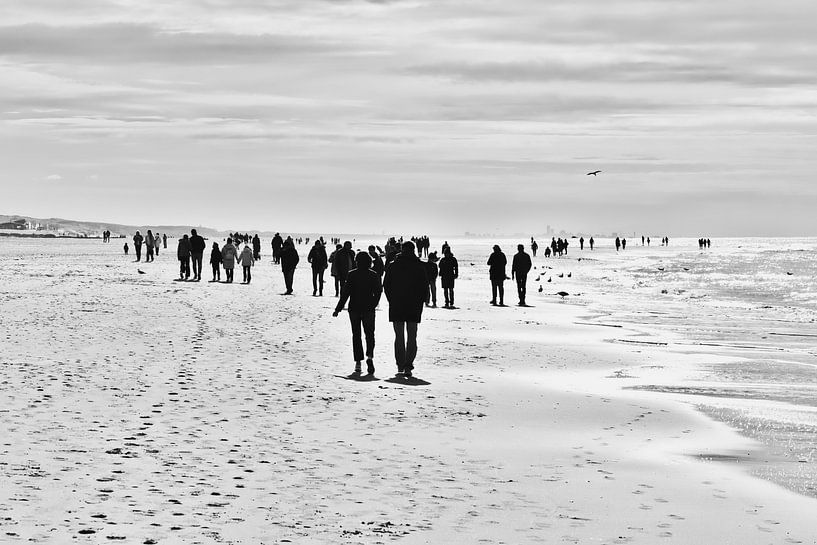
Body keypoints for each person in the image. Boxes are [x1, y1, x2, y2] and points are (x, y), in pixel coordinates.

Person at [333, 252, 383, 375]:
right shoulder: (373, 275)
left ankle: (358, 362)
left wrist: (338, 309)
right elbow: (378, 292)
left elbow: (345, 293)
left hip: (354, 308)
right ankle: (370, 357)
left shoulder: (352, 274)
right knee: (370, 334)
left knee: (356, 335)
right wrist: (373, 304)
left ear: (357, 261)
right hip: (368, 309)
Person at [383, 241, 428, 377]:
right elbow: (424, 287)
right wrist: (421, 301)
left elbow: (386, 286)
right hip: (414, 305)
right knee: (412, 336)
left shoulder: (393, 265)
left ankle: (400, 364)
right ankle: (408, 365)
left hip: (397, 303)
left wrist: (392, 300)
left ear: (402, 250)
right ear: (413, 250)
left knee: (399, 336)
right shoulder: (420, 265)